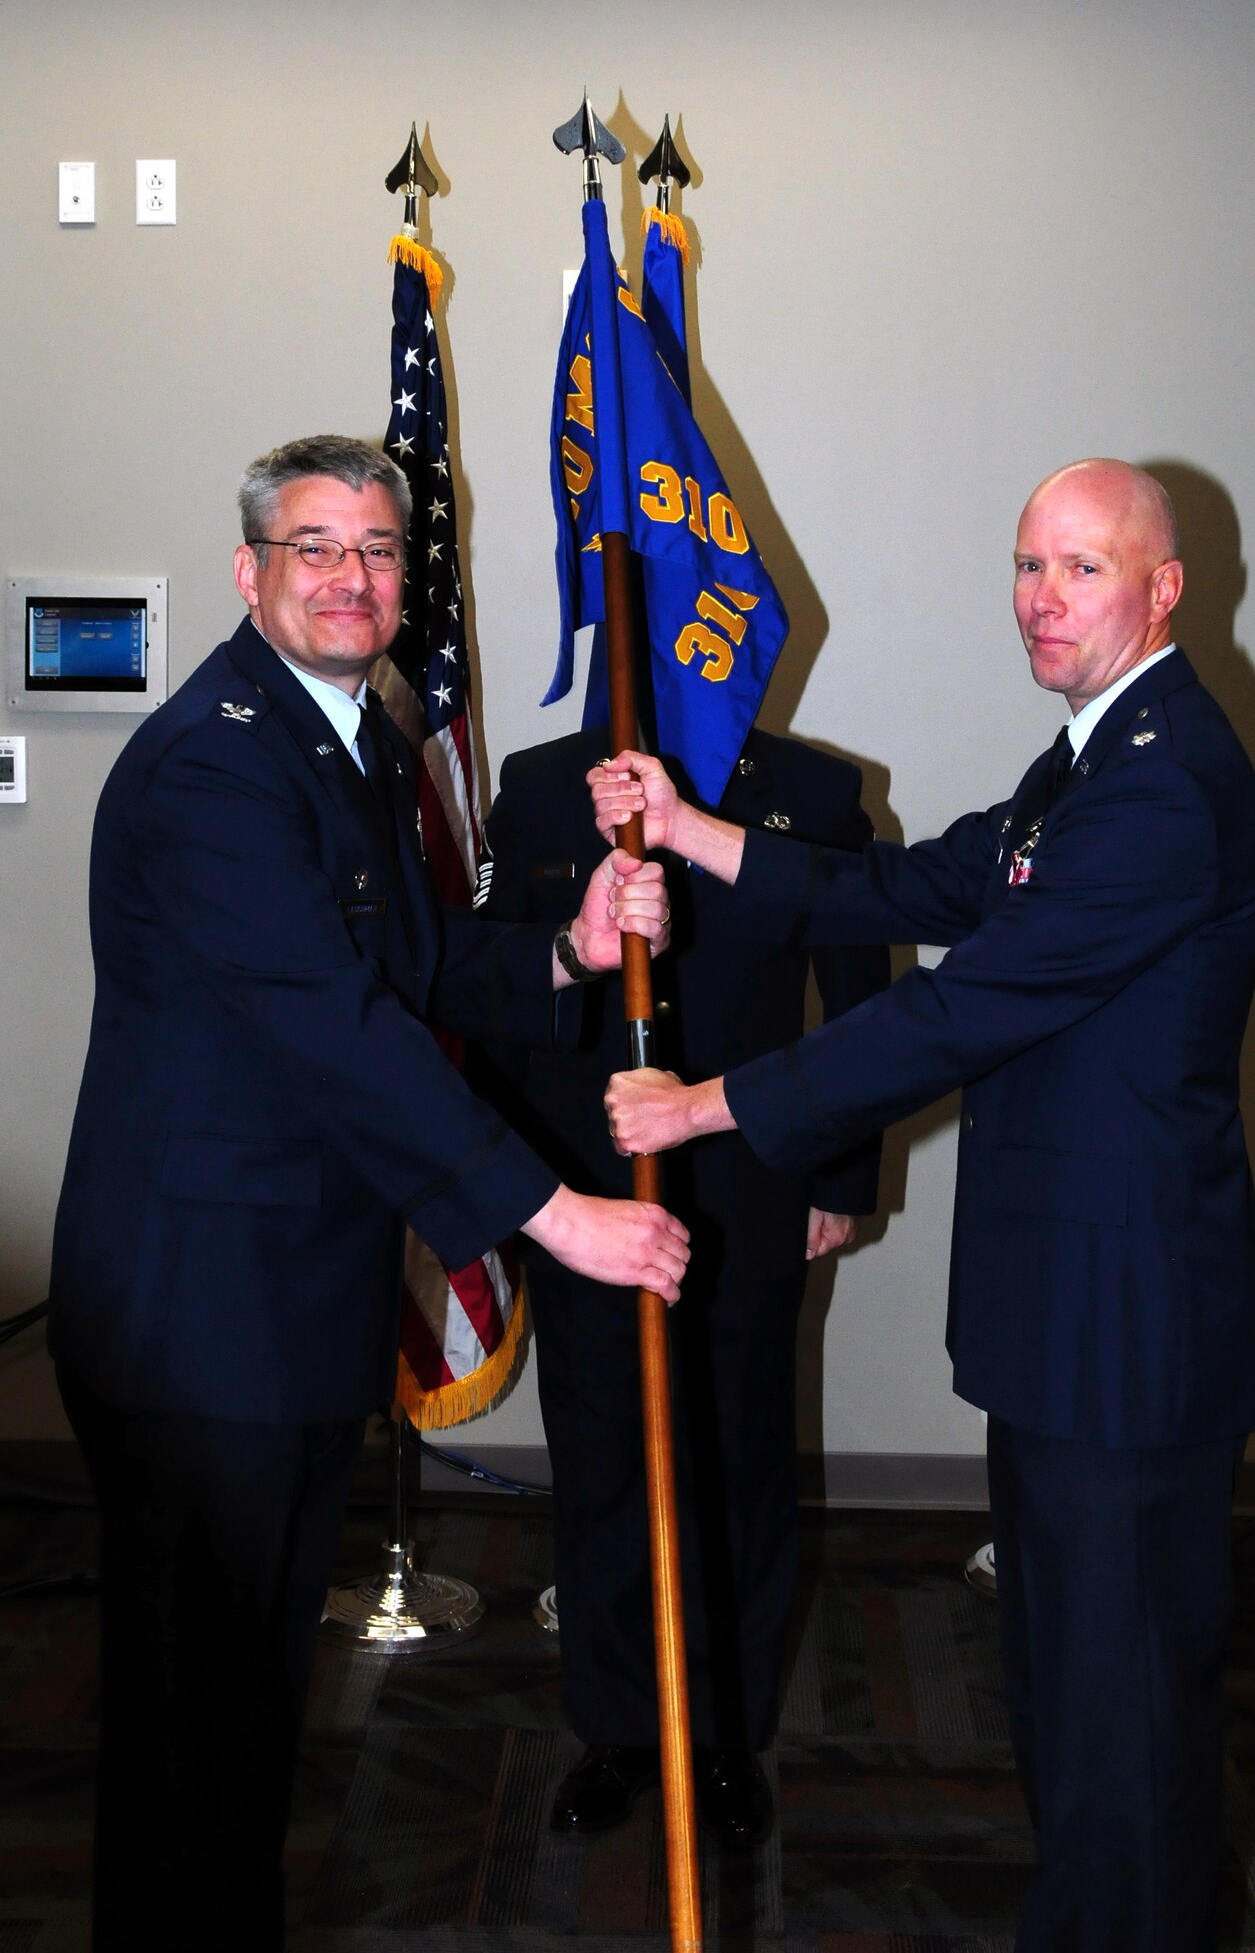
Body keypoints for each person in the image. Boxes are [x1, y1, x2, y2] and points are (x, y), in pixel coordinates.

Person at [599, 459, 1255, 1950]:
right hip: (1073, 1321)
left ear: (1162, 590)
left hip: (1129, 1332)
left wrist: (709, 1103)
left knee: (1126, 1725)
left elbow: (960, 1012)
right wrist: (699, 829)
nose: (1042, 597)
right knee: (1068, 1701)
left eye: (1082, 569)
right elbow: (918, 889)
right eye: (1028, 565)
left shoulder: (1166, 782)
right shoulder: (1094, 755)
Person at [46, 434, 689, 1952]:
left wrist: (567, 950)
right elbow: (334, 1033)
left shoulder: (352, 736)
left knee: (248, 1705)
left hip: (280, 1308)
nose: (352, 576)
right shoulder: (213, 761)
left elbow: (404, 968)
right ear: (250, 571)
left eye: (380, 552)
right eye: (316, 547)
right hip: (196, 1320)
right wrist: (558, 1217)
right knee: (192, 1726)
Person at [473, 724, 891, 1845]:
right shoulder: (543, 784)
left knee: (738, 1458)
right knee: (599, 1452)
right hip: (582, 1189)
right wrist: (516, 1192)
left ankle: (723, 1734)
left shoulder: (805, 793)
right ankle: (614, 1721)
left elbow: (853, 993)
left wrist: (836, 1172)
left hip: (746, 1184)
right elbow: (504, 989)